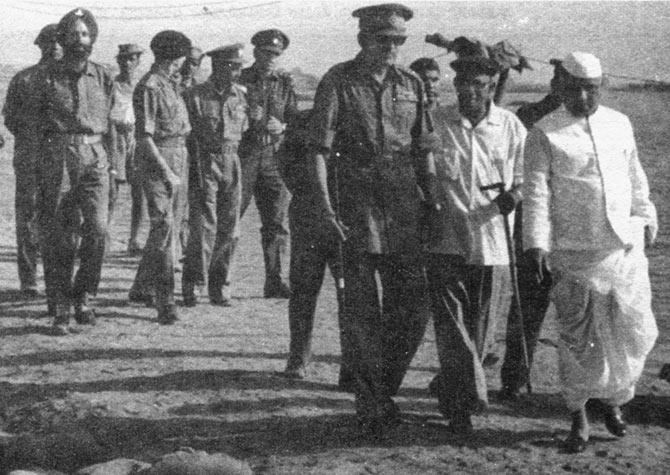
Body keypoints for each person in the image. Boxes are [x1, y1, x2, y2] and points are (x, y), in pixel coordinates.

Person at [523, 51, 658, 453]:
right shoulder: (544, 132)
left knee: (631, 332)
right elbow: (535, 194)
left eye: (591, 89)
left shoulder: (619, 123)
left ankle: (616, 400)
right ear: (559, 88)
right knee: (578, 339)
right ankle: (579, 414)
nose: (583, 97)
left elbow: (636, 178)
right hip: (574, 251)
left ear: (602, 87)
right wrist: (536, 244)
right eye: (574, 89)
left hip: (624, 246)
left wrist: (647, 216)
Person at [308, 3, 432, 436]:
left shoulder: (413, 82)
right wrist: (325, 210)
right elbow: (318, 152)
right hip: (354, 208)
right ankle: (371, 402)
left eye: (399, 40)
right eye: (385, 39)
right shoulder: (339, 81)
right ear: (364, 39)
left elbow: (424, 152)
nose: (393, 47)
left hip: (403, 210)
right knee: (360, 312)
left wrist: (432, 203)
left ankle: (383, 389)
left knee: (414, 307)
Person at [423, 47, 526, 433]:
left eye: (479, 85)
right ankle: (464, 404)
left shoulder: (511, 127)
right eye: (462, 83)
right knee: (451, 325)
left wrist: (513, 196)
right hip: (444, 239)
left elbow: (525, 179)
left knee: (480, 328)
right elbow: (423, 172)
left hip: (492, 241)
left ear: (492, 85)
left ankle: (453, 389)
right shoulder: (436, 122)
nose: (469, 92)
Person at [33, 8, 114, 334]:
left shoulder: (103, 75)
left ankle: (84, 296)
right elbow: (33, 122)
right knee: (59, 237)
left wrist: (112, 161)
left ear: (91, 38)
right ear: (62, 39)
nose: (79, 40)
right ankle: (61, 307)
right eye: (72, 34)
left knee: (99, 230)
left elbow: (110, 120)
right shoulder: (46, 77)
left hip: (95, 156)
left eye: (84, 34)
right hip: (59, 156)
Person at [498, 58, 566, 400]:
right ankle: (514, 379)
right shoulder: (527, 117)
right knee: (527, 306)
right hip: (531, 227)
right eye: (560, 83)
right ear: (554, 84)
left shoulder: (589, 123)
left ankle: (590, 388)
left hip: (572, 229)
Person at [128, 30, 192, 324]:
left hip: (179, 155)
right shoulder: (150, 87)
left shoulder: (171, 84)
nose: (182, 63)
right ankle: (165, 301)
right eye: (180, 58)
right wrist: (167, 171)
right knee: (164, 227)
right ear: (171, 58)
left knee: (166, 229)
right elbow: (144, 136)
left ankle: (141, 287)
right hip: (158, 161)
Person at [181, 44, 249, 307]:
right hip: (204, 161)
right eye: (233, 66)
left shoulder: (241, 97)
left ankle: (220, 285)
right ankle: (194, 284)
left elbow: (246, 129)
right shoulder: (194, 96)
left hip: (232, 161)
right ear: (218, 66)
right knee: (203, 227)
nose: (238, 72)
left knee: (230, 227)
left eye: (239, 66)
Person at [2, 23, 63, 298]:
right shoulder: (23, 79)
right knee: (27, 216)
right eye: (49, 42)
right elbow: (11, 119)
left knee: (58, 217)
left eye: (60, 42)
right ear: (40, 45)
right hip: (29, 155)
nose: (55, 47)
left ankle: (55, 278)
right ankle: (29, 279)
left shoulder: (68, 79)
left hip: (60, 157)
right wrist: (32, 138)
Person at [239, 29, 297, 299]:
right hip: (245, 155)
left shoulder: (284, 82)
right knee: (230, 218)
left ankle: (274, 280)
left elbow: (295, 119)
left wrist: (282, 126)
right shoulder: (241, 79)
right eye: (267, 53)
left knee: (276, 222)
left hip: (275, 157)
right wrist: (247, 118)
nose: (272, 58)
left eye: (277, 53)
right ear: (256, 53)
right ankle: (216, 280)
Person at [107, 43, 143, 255]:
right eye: (124, 59)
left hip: (137, 139)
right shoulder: (113, 85)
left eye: (132, 59)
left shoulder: (142, 85)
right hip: (116, 138)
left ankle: (135, 239)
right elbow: (108, 117)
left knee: (139, 192)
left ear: (138, 62)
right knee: (111, 190)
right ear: (119, 62)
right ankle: (105, 237)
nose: (128, 63)